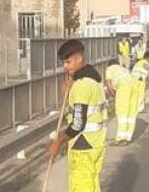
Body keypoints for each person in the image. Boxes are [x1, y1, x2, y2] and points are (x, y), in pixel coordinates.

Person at [48, 39, 107, 192]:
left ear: (79, 58)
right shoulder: (94, 81)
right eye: (63, 63)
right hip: (96, 143)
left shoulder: (81, 86)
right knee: (92, 185)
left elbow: (78, 123)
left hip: (83, 145)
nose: (65, 67)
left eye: (68, 62)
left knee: (81, 186)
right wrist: (69, 93)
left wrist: (58, 141)